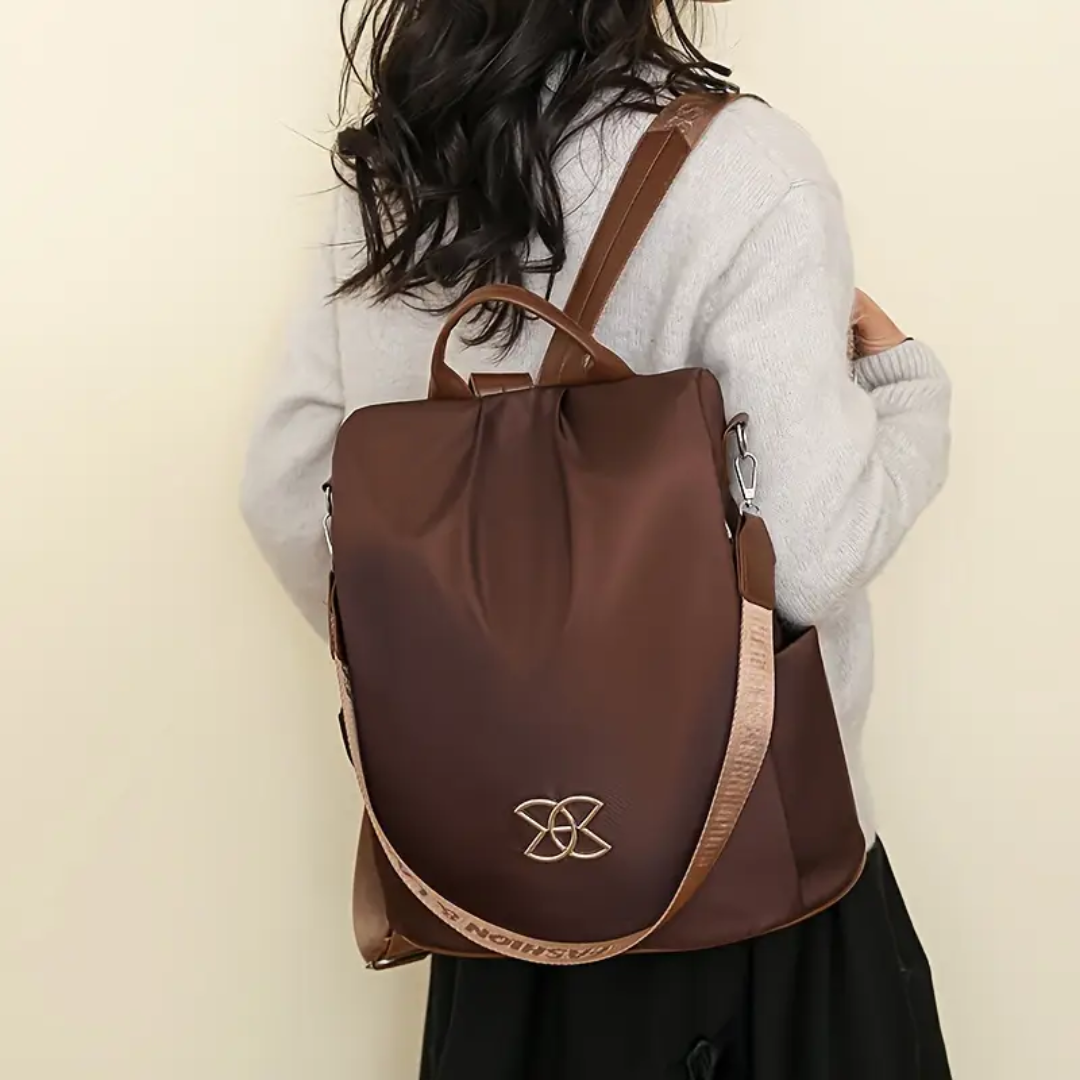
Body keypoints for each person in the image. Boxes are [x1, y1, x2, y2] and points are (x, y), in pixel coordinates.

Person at [240, 1, 953, 1077]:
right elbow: (804, 556)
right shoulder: (749, 169)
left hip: (481, 887)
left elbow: (289, 489)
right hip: (746, 885)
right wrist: (908, 397)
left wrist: (473, 671)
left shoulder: (395, 174)